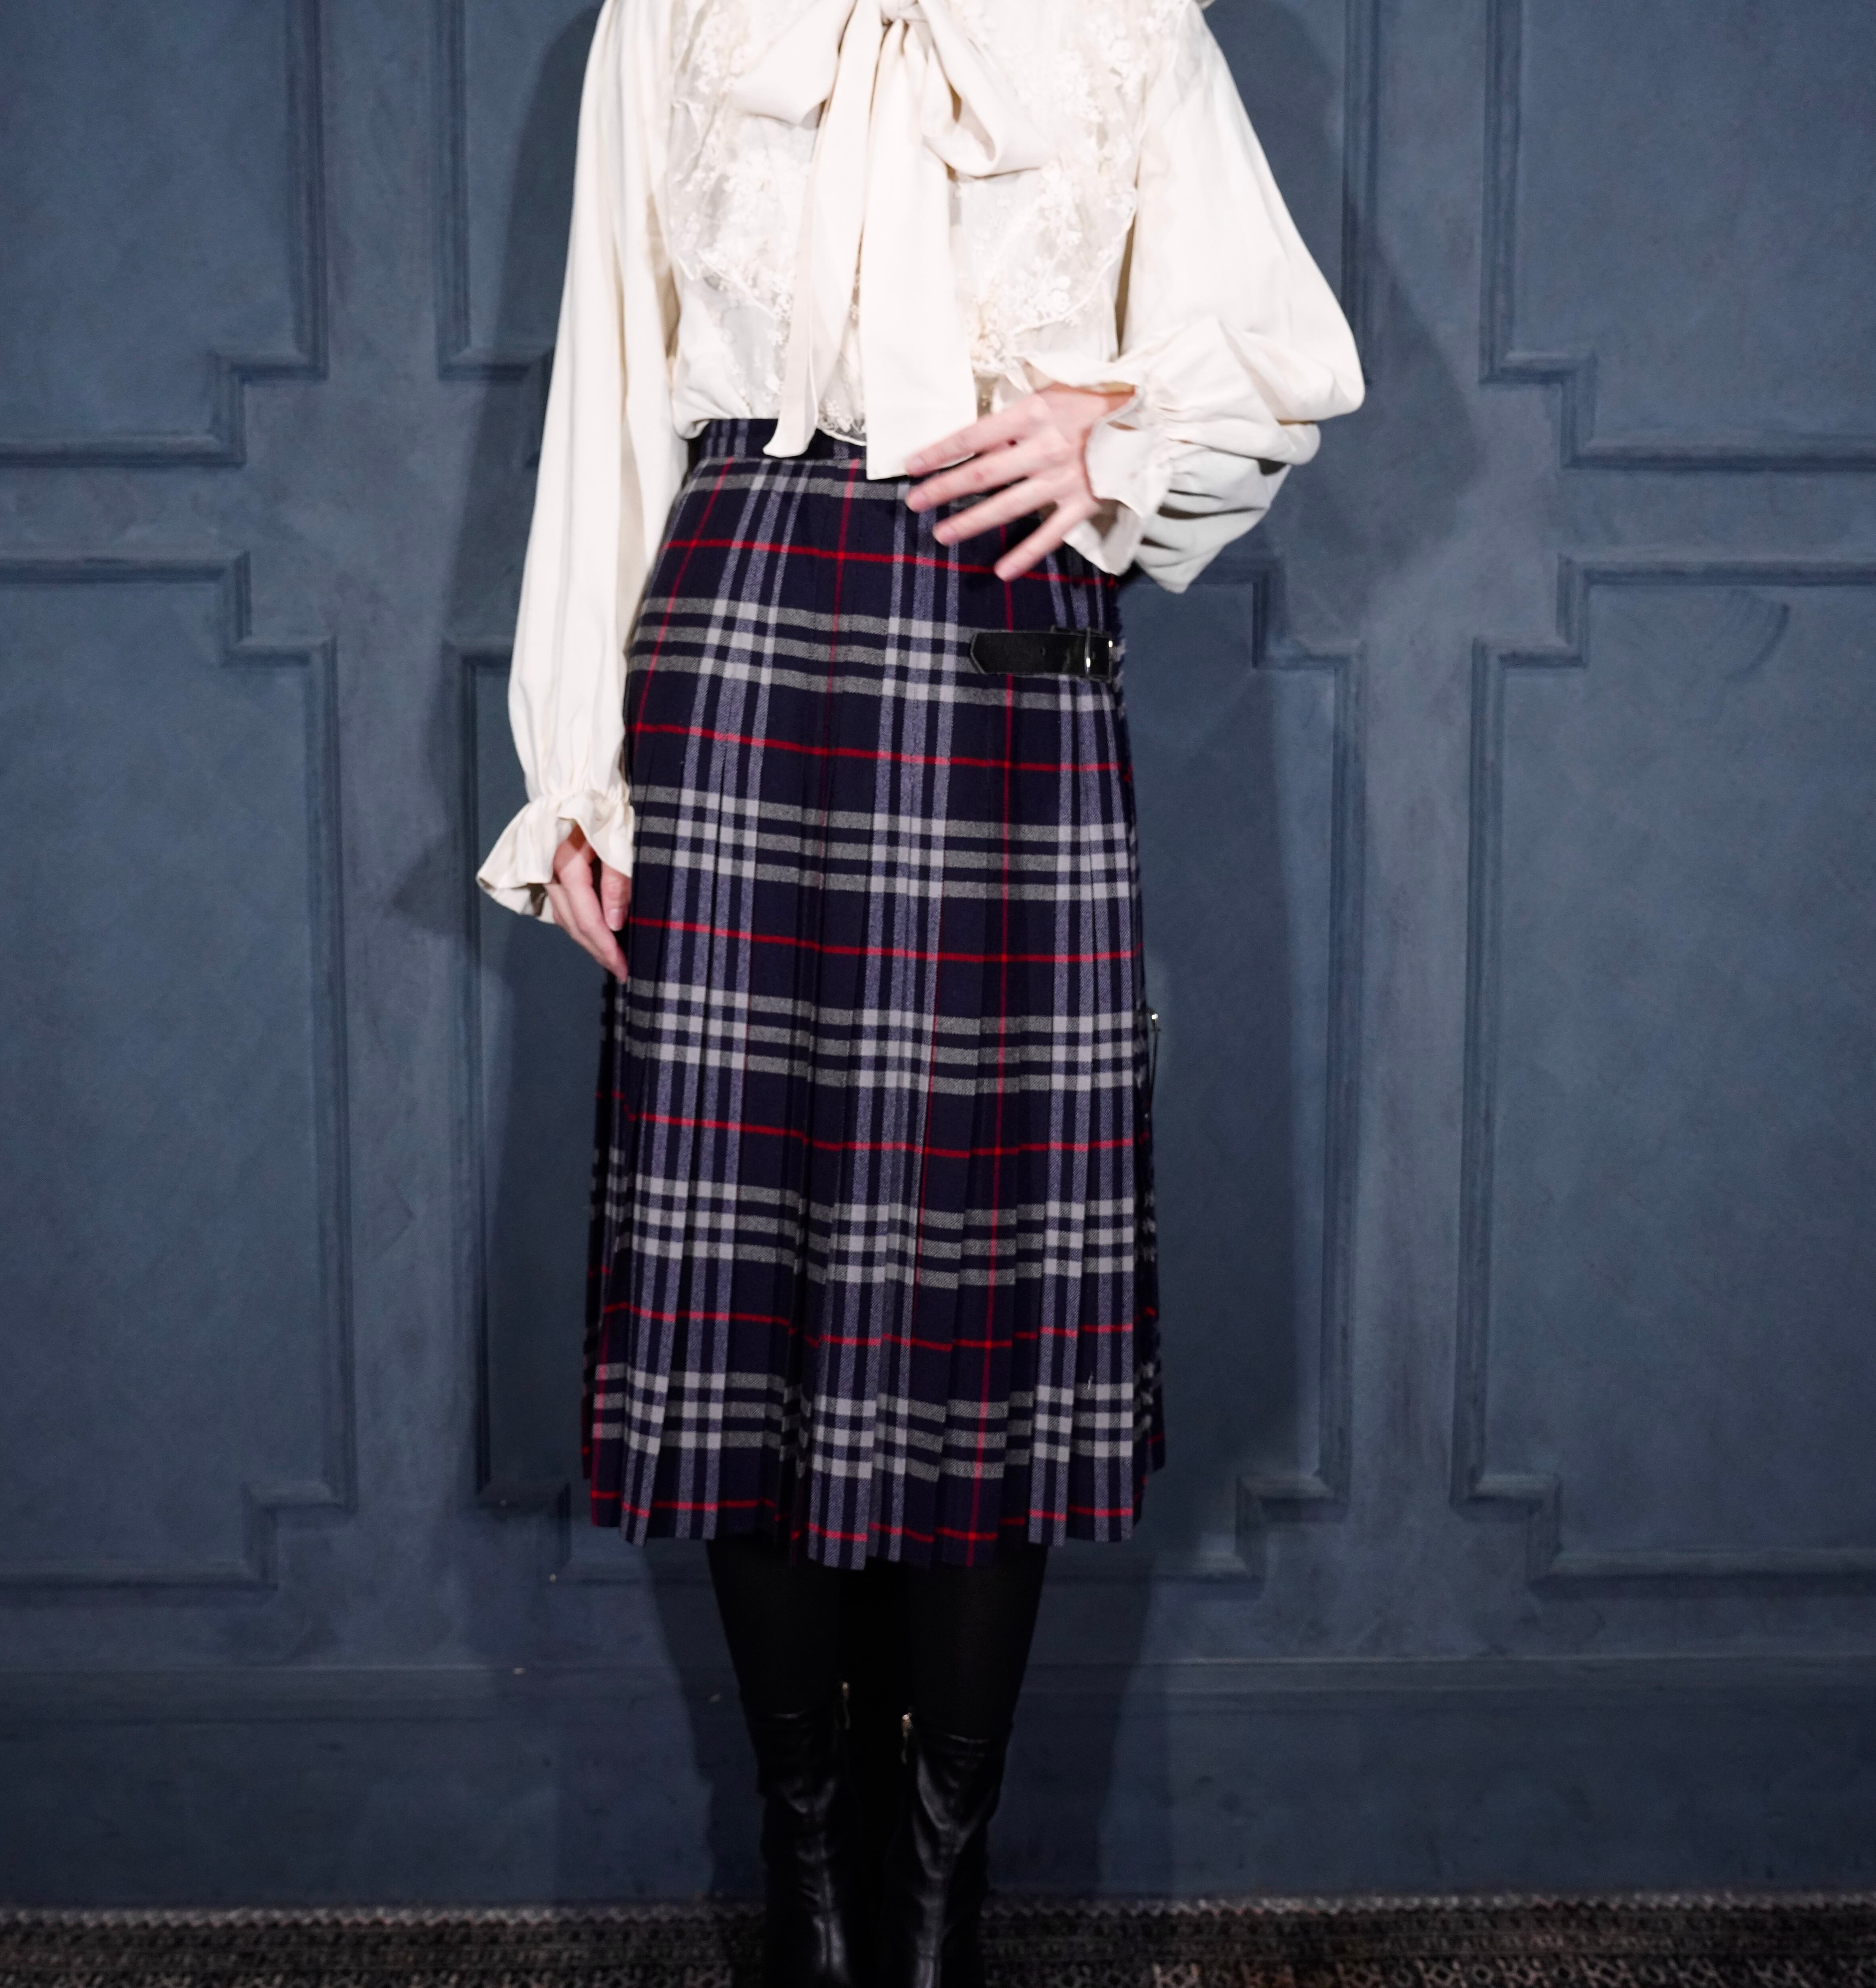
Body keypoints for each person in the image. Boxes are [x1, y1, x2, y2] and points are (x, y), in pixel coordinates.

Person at [477, 0, 1364, 1979]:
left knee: (987, 1311)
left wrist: (1114, 432)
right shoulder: (670, 13)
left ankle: (939, 1903)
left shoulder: (1125, 23)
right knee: (742, 1293)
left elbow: (1272, 355)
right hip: (739, 633)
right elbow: (606, 393)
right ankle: (810, 1883)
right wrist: (575, 773)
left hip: (999, 650)